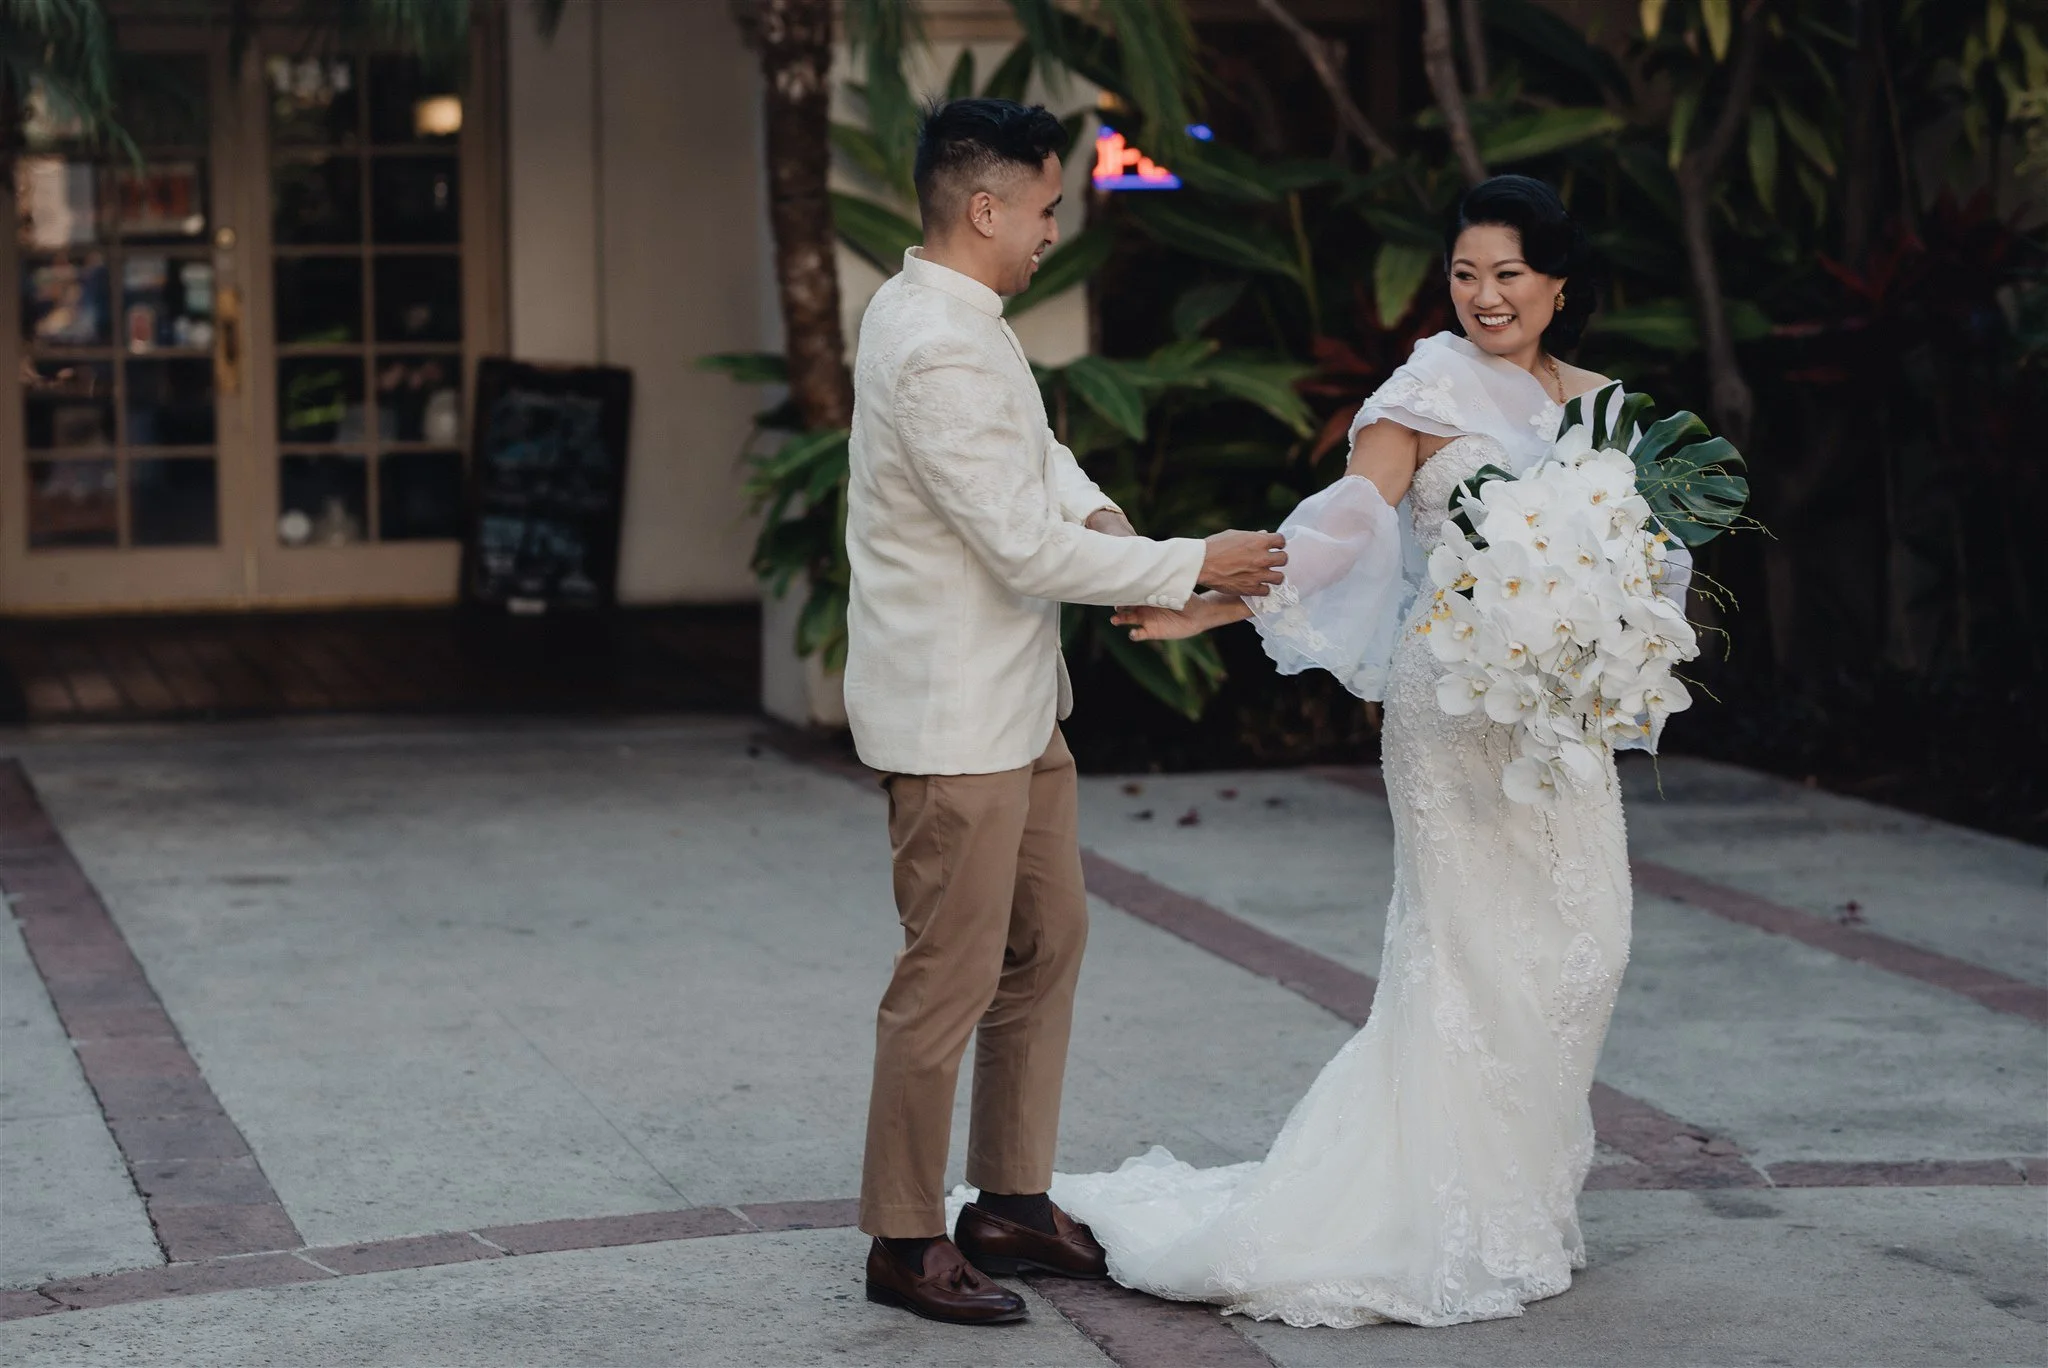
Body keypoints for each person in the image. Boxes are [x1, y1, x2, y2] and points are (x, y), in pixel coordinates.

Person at [1056, 174, 1693, 1328]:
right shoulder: (1426, 386)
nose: (1484, 296)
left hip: (1555, 721)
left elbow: (1648, 556)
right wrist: (1213, 599)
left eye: (1507, 274)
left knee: (1581, 947)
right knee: (1461, 958)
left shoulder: (1607, 408)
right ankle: (1445, 1215)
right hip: (1451, 706)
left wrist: (1616, 638)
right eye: (1463, 273)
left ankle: (1521, 1197)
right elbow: (1353, 522)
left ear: (1557, 283)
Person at [843, 97, 1290, 1327]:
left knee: (1045, 944)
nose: (1055, 229)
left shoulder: (961, 318)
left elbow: (1037, 468)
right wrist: (1192, 562)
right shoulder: (929, 341)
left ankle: (1011, 1202)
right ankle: (900, 1236)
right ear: (983, 208)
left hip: (1016, 706)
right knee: (946, 979)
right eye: (1045, 208)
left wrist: (1117, 532)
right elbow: (1007, 540)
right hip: (951, 721)